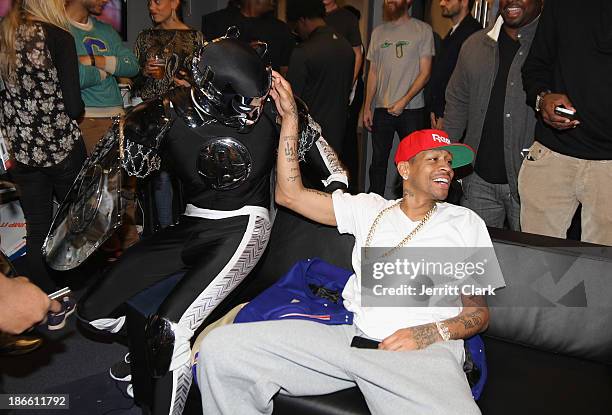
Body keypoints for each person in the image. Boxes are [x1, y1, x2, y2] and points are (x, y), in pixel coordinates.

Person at [197, 75, 502, 414]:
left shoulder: (465, 223)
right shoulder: (370, 208)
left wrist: (429, 333)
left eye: (448, 161)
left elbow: (478, 313)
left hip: (423, 351)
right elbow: (289, 195)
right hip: (351, 336)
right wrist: (290, 122)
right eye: (433, 159)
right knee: (221, 350)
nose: (446, 166)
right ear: (404, 168)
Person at [75, 36, 348, 414]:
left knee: (168, 332)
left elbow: (320, 150)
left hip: (244, 228)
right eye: (245, 103)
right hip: (192, 223)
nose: (254, 110)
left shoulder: (276, 107)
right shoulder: (164, 113)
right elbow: (114, 181)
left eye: (258, 100)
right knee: (91, 310)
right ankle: (144, 354)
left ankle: (164, 363)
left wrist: (340, 196)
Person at [0, 0, 83, 329]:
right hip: (60, 149)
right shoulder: (58, 37)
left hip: (23, 154)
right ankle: (78, 292)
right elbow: (74, 105)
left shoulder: (4, 37)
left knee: (37, 228)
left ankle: (52, 299)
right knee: (73, 224)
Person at [520, 0, 612, 246]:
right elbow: (534, 67)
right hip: (553, 156)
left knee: (601, 275)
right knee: (535, 267)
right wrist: (542, 99)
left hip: (609, 169)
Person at [444, 0, 542, 230]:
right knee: (475, 261)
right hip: (478, 180)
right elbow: (457, 102)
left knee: (531, 262)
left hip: (532, 182)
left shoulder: (551, 46)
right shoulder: (474, 45)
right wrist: (444, 153)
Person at [66, 0, 141, 253]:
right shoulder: (61, 29)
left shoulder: (105, 30)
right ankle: (107, 259)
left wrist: (91, 60)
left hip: (119, 119)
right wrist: (108, 68)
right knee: (99, 197)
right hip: (89, 121)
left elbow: (132, 65)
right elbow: (72, 77)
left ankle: (128, 254)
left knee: (126, 192)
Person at [133, 0, 204, 230]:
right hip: (152, 115)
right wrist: (142, 72)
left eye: (157, 1)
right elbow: (132, 78)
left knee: (188, 172)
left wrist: (189, 83)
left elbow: (204, 79)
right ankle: (164, 231)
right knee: (160, 175)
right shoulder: (144, 37)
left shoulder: (195, 38)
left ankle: (190, 226)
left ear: (174, 2)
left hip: (183, 114)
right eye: (149, 3)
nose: (151, 7)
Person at [364, 0, 434, 196]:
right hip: (381, 109)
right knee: (377, 162)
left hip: (412, 110)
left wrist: (404, 100)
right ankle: (374, 202)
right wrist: (367, 106)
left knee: (413, 160)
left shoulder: (423, 30)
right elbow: (373, 72)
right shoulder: (378, 33)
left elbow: (425, 72)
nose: (389, 1)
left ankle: (412, 199)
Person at [285, 0, 354, 156]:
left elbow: (292, 102)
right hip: (337, 137)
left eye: (296, 27)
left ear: (302, 20)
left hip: (310, 141)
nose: (298, 33)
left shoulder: (303, 52)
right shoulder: (346, 47)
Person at [202, 0, 294, 76]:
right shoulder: (216, 22)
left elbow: (285, 71)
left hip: (268, 93)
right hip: (225, 93)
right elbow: (207, 63)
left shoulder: (280, 29)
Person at [429, 0, 481, 129]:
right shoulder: (453, 32)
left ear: (464, 2)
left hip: (454, 116)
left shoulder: (474, 34)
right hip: (442, 112)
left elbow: (462, 81)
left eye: (447, 0)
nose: (441, 3)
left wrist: (445, 114)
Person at [322, 0, 363, 87]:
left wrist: (348, 85)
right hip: (311, 87)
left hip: (338, 85)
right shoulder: (309, 17)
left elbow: (358, 54)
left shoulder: (349, 18)